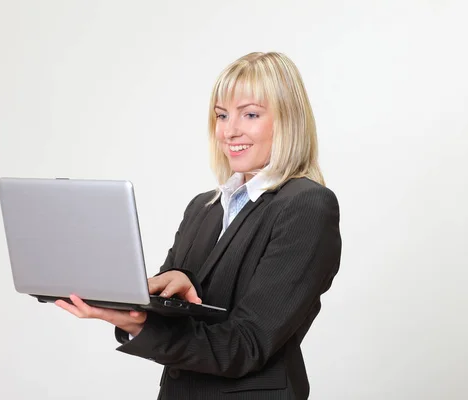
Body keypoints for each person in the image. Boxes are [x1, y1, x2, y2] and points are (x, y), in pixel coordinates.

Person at [55, 52, 342, 399]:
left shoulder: (306, 205)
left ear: (288, 120)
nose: (229, 130)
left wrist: (140, 324)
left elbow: (247, 345)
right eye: (222, 115)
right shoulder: (202, 208)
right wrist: (132, 308)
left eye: (250, 114)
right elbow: (171, 327)